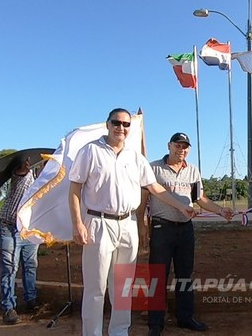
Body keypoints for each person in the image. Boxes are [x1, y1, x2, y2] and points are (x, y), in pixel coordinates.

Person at [68, 108, 195, 336]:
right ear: (107, 124)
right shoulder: (90, 151)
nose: (121, 128)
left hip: (127, 225)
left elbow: (154, 187)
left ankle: (119, 331)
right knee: (96, 287)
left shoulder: (135, 157)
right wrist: (77, 222)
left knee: (123, 287)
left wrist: (180, 205)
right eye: (116, 123)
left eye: (126, 124)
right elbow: (75, 187)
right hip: (98, 223)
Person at [140, 132, 234, 336]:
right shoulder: (154, 167)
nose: (181, 149)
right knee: (158, 275)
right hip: (161, 228)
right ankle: (155, 324)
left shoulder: (192, 171)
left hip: (185, 229)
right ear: (169, 145)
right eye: (177, 145)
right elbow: (144, 197)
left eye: (185, 146)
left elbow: (200, 198)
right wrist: (141, 223)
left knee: (185, 275)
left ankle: (185, 317)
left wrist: (220, 210)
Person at [0, 157, 41, 324]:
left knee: (30, 265)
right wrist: (22, 168)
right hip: (9, 226)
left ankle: (31, 300)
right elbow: (20, 173)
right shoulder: (23, 176)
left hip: (28, 228)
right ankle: (8, 307)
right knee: (9, 267)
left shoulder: (44, 182)